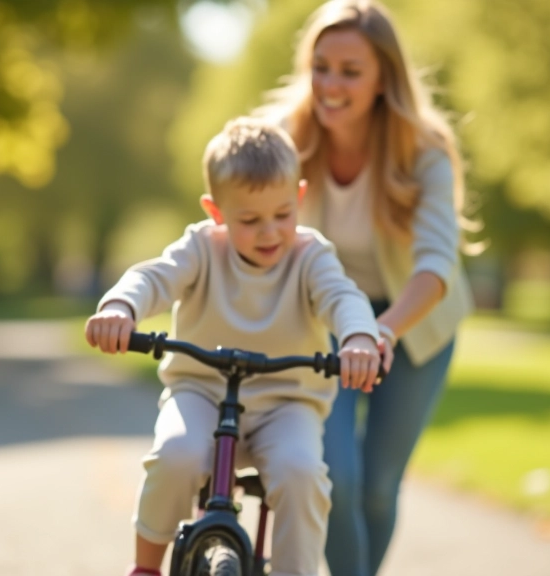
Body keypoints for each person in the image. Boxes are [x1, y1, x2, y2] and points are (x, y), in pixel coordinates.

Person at [84, 117, 385, 576]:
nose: (269, 232)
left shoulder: (310, 256)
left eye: (283, 215)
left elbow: (343, 297)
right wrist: (121, 308)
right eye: (249, 220)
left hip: (287, 403)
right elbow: (153, 277)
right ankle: (146, 566)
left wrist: (360, 339)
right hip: (201, 392)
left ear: (299, 198)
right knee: (174, 455)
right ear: (216, 211)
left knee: (303, 474)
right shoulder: (201, 249)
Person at [255, 1, 476, 574]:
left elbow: (435, 264)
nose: (330, 84)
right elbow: (243, 225)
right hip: (327, 319)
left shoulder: (423, 148)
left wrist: (381, 330)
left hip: (415, 322)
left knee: (378, 485)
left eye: (350, 71)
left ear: (384, 79)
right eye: (320, 66)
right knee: (336, 477)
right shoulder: (281, 138)